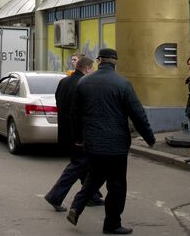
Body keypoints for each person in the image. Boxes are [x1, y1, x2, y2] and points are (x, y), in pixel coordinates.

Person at [66, 48, 155, 235]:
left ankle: (76, 206)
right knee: (116, 185)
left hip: (92, 143)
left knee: (94, 176)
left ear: (99, 61)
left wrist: (79, 139)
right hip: (116, 145)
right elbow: (137, 113)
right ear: (115, 62)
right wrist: (149, 137)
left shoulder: (84, 82)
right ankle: (112, 224)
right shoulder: (123, 84)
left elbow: (75, 114)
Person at [45, 56, 104, 212]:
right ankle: (55, 195)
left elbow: (59, 103)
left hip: (65, 132)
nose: (92, 72)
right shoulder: (84, 84)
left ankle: (92, 195)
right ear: (86, 69)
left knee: (83, 165)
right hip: (80, 134)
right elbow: (84, 112)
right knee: (78, 166)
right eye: (92, 69)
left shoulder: (64, 82)